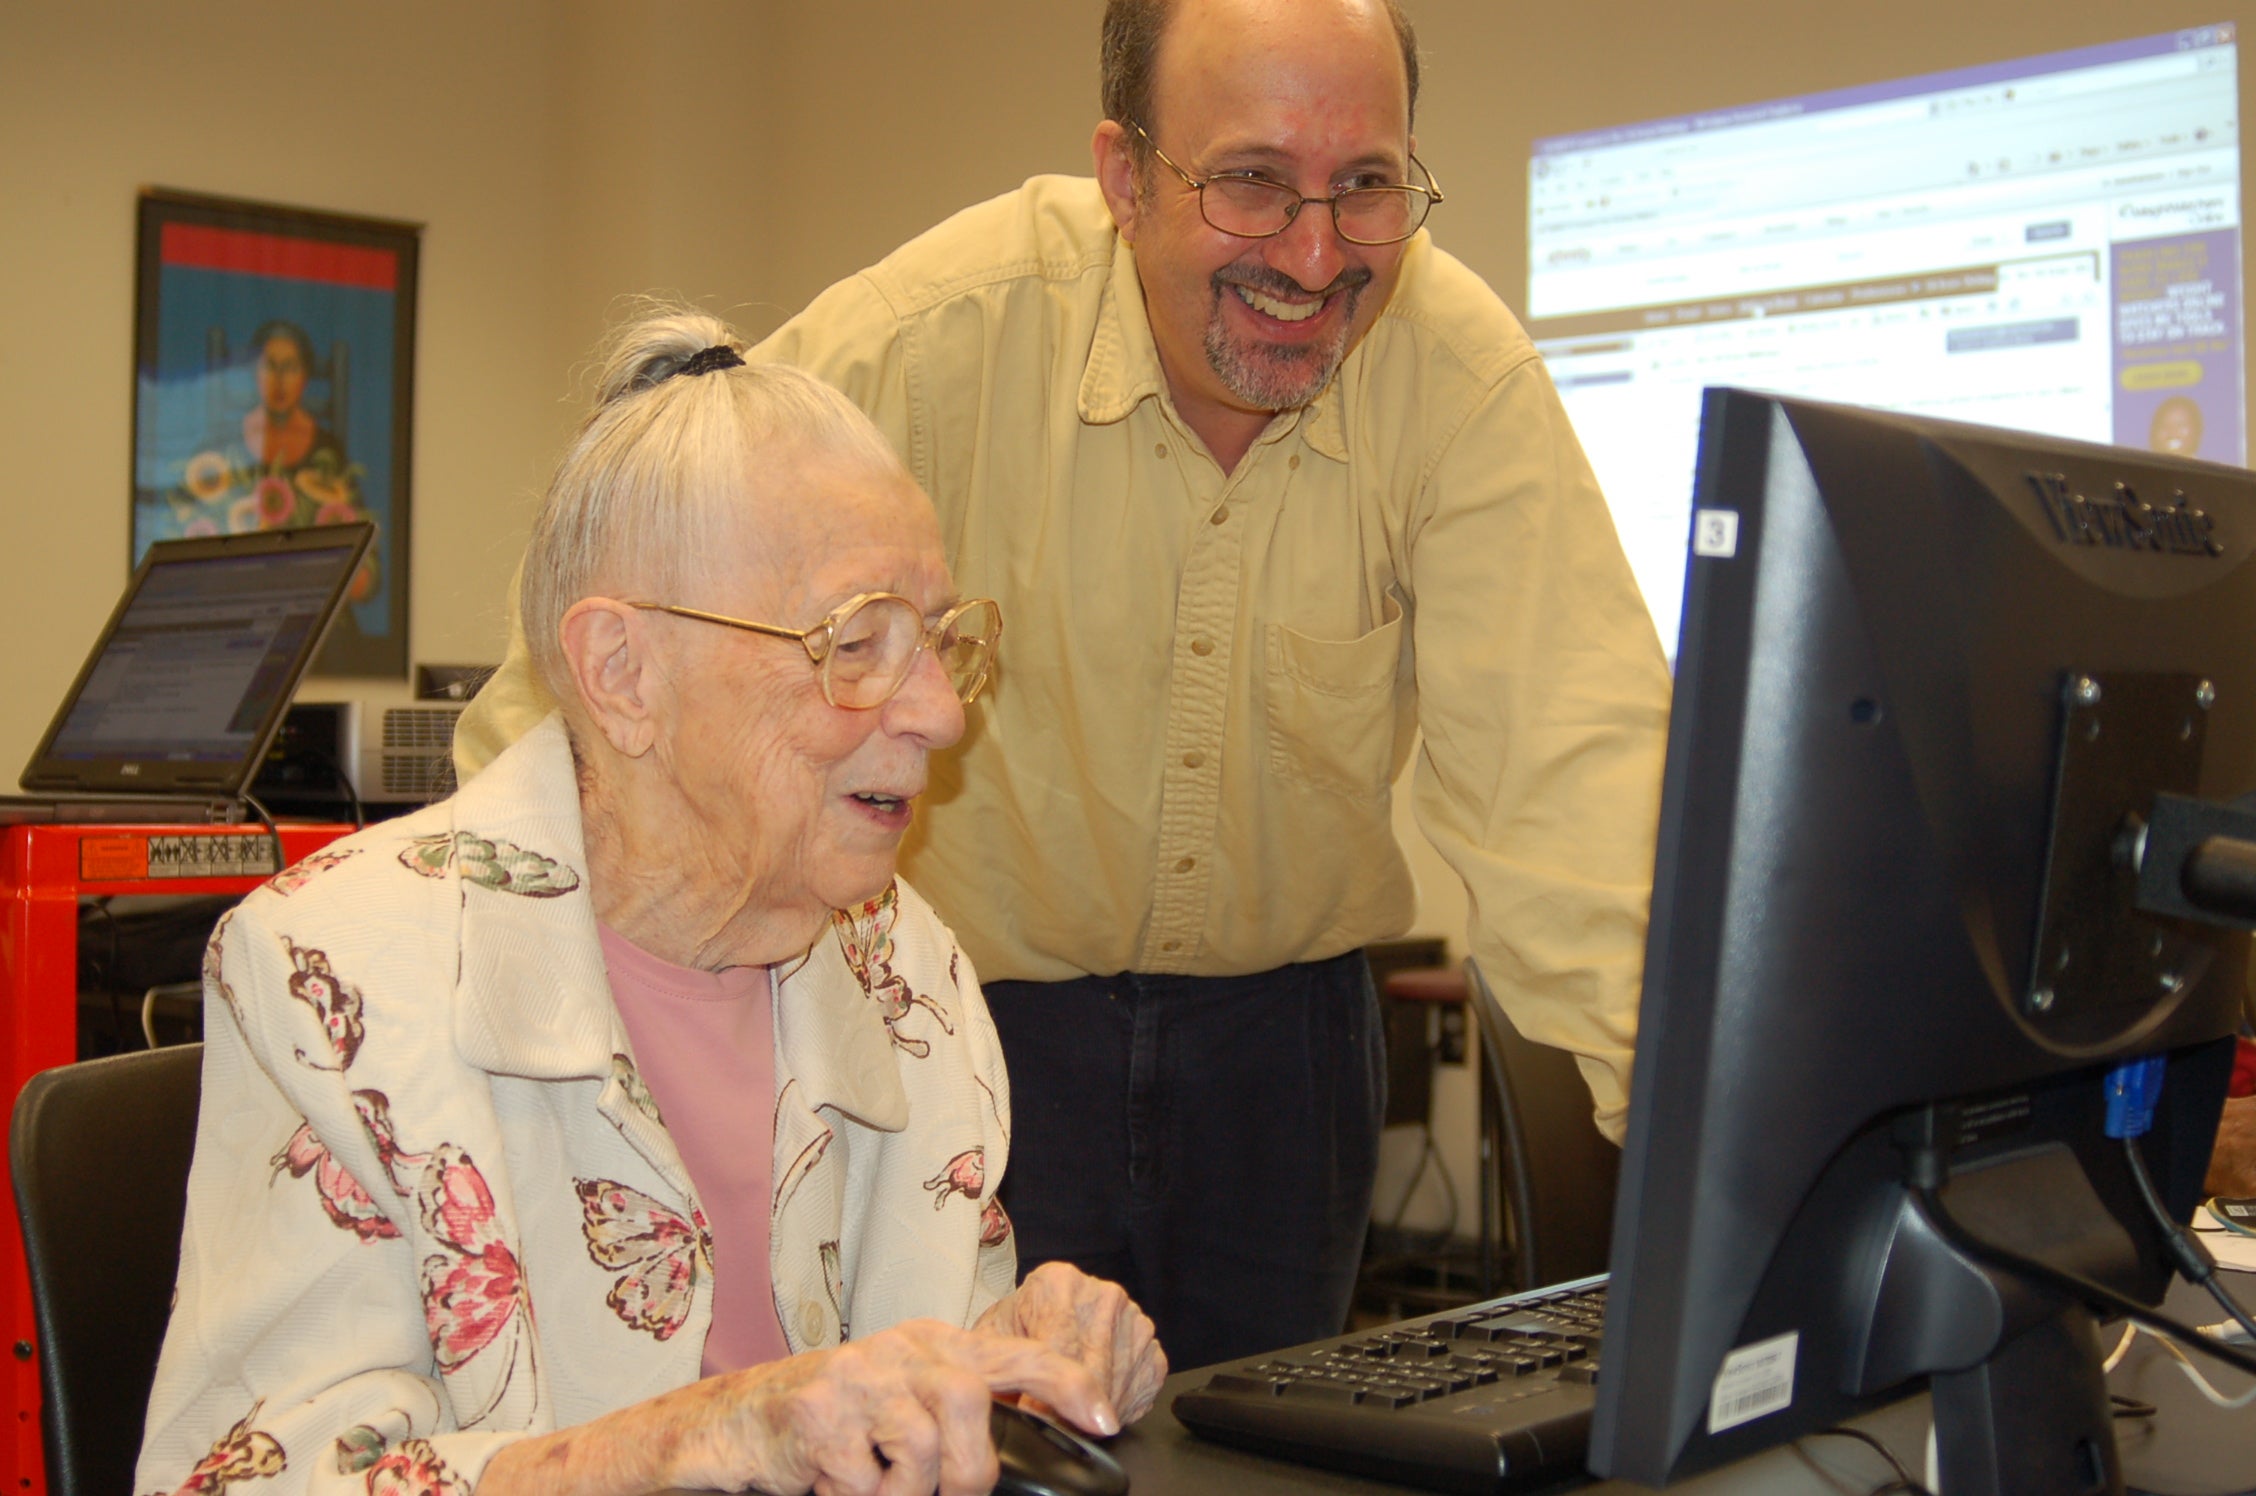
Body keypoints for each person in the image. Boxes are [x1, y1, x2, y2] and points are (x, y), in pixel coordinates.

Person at [457, 0, 1672, 1369]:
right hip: (976, 1028)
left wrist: (1743, 1180)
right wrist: (459, 1023)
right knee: (966, 1438)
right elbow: (604, 656)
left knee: (1261, 1449)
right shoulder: (930, 337)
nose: (1316, 252)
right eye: (1252, 180)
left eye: (1367, 186)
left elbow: (1585, 803)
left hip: (1286, 1054)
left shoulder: (1454, 374)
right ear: (1124, 176)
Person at [137, 312, 1165, 1496]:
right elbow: (248, 1476)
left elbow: (917, 1374)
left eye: (936, 639)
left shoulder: (904, 965)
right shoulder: (332, 972)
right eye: (856, 642)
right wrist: (705, 1432)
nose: (940, 711)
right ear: (623, 674)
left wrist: (1018, 1354)